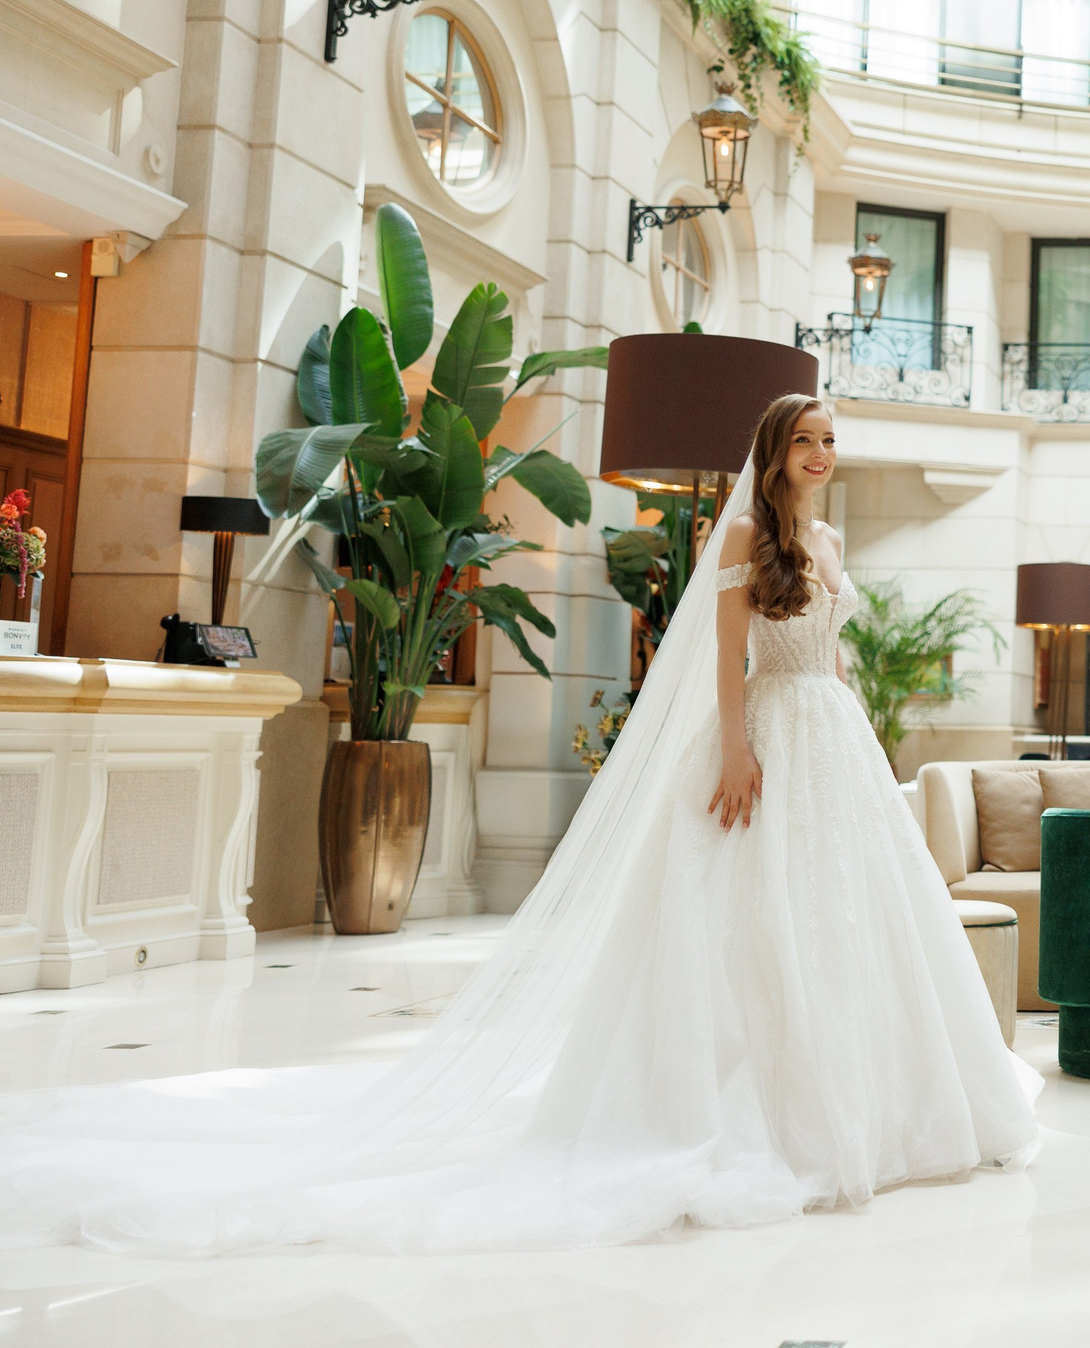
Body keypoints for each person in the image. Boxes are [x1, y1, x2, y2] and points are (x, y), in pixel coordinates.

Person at [0, 395, 1037, 1254]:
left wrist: (859, 741)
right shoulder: (743, 539)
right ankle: (743, 1109)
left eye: (829, 440)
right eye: (805, 439)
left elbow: (833, 656)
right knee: (746, 919)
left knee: (845, 921)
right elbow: (729, 658)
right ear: (774, 453)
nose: (821, 453)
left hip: (834, 740)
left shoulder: (831, 540)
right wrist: (736, 749)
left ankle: (878, 1106)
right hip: (765, 728)